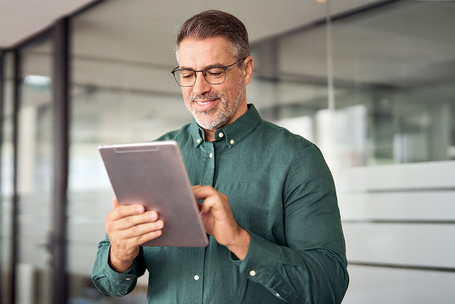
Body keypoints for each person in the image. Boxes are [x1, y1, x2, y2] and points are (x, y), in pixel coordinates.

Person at [92, 9, 349, 303]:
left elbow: (329, 287)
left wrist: (239, 241)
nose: (199, 88)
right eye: (188, 74)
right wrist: (119, 253)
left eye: (214, 72)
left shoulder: (297, 159)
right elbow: (108, 283)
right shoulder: (150, 159)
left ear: (246, 70)